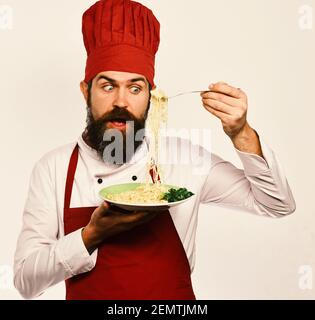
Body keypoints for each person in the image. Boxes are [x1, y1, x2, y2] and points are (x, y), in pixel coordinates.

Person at [14, 0, 296, 300]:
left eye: (135, 88)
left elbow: (277, 204)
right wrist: (91, 235)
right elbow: (24, 281)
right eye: (108, 86)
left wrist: (241, 133)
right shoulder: (54, 168)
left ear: (151, 96)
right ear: (86, 91)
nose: (121, 102)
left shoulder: (185, 160)